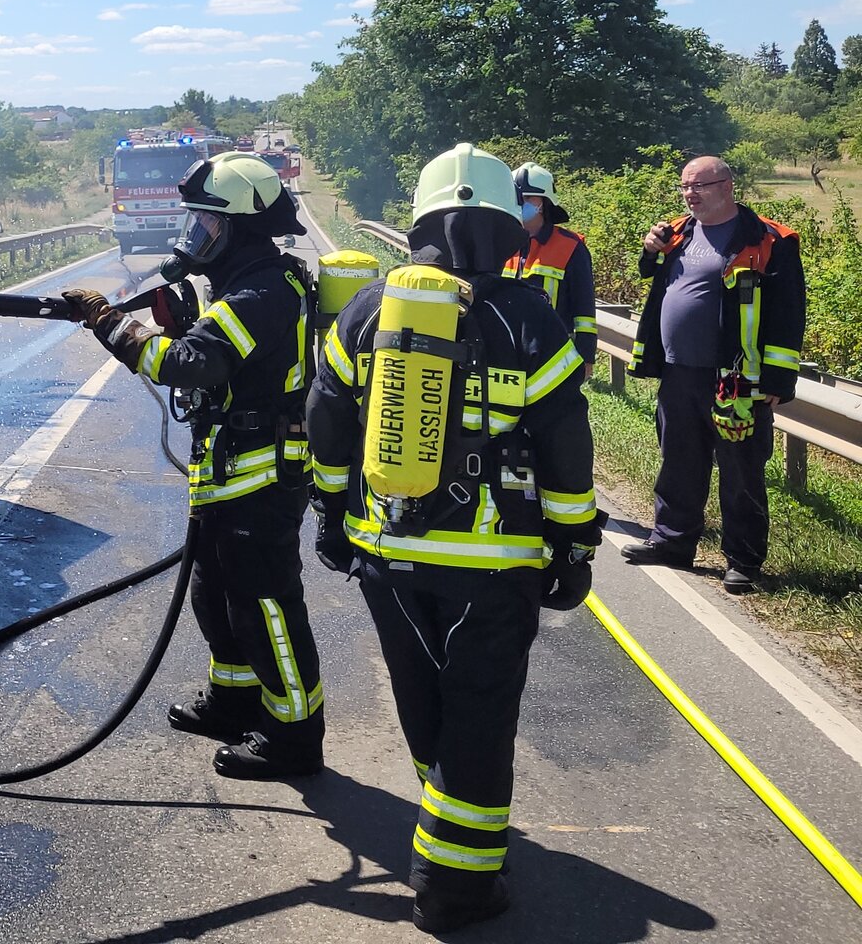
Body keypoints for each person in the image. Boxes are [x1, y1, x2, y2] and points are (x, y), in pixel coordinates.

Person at [307, 144, 598, 934]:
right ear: (509, 228)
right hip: (495, 566)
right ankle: (457, 886)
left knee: (423, 696)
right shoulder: (529, 317)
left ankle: (448, 830)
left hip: (386, 553)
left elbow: (327, 419)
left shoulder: (366, 311)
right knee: (479, 712)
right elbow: (566, 441)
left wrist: (330, 515)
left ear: (421, 225)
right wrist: (575, 545)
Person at [63, 151, 324, 781]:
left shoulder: (263, 289)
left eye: (207, 227)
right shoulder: (242, 285)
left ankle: (294, 735)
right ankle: (235, 702)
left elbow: (192, 365)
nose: (195, 238)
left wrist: (113, 327)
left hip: (262, 474)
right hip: (231, 467)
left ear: (241, 229)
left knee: (263, 603)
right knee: (215, 592)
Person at [624, 155, 804, 595]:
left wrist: (777, 381)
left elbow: (788, 313)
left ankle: (742, 560)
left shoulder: (768, 239)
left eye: (699, 186)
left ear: (727, 185)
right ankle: (672, 542)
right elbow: (652, 274)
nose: (690, 195)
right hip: (678, 370)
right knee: (679, 461)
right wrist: (649, 250)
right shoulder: (678, 232)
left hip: (736, 378)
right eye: (685, 187)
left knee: (741, 471)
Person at [503, 163, 597, 375]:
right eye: (517, 198)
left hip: (553, 351)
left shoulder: (571, 247)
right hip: (507, 345)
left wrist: (586, 356)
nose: (522, 203)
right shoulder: (502, 243)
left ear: (544, 202)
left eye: (528, 198)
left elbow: (585, 309)